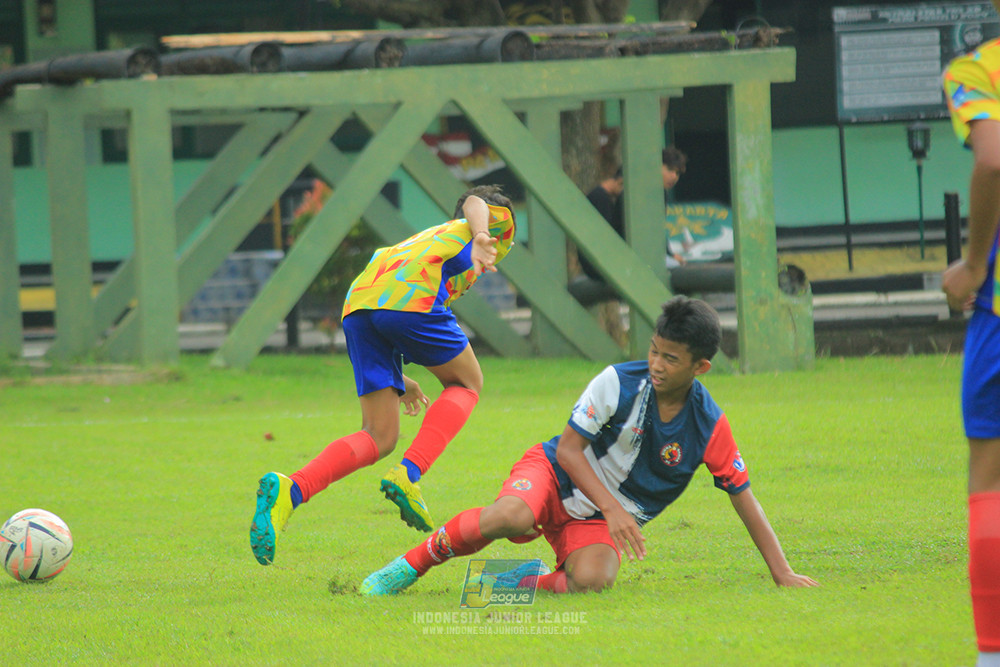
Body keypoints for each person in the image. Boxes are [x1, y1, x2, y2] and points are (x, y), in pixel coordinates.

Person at [361, 296, 818, 595]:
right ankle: (408, 566)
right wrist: (614, 508)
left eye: (671, 359)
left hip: (594, 518)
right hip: (553, 473)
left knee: (594, 581)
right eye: (654, 350)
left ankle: (513, 583)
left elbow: (743, 496)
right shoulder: (617, 381)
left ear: (701, 367)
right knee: (509, 516)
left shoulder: (708, 425)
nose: (656, 364)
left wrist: (782, 573)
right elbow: (568, 450)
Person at [250, 185, 517, 566]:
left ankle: (291, 490)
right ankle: (410, 473)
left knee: (379, 435)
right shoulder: (474, 228)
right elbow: (475, 202)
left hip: (360, 305)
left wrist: (399, 377)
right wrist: (482, 232)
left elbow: (386, 310)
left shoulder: (427, 241)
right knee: (467, 383)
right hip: (410, 299)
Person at [943, 30, 1000, 666]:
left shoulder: (979, 68)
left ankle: (992, 655)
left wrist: (975, 262)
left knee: (989, 478)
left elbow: (991, 159)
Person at [574, 147, 688, 303]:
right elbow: (619, 233)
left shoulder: (657, 194)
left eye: (678, 173)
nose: (674, 177)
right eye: (669, 170)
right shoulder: (628, 195)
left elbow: (656, 230)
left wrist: (668, 253)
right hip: (607, 262)